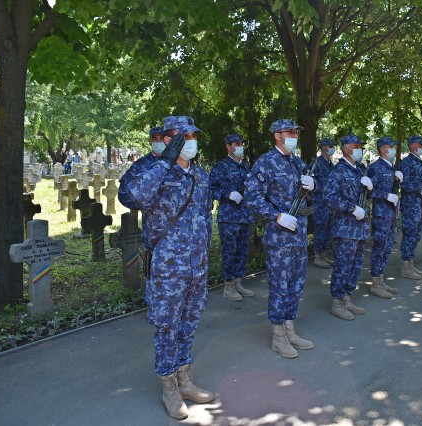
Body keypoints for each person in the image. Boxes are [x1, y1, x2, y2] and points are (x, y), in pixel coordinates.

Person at [118, 116, 214, 420]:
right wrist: (164, 163)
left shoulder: (200, 175)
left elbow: (206, 216)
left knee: (189, 322)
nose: (192, 141)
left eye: (194, 135)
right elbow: (131, 197)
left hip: (197, 265)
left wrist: (205, 254)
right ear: (170, 139)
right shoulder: (152, 171)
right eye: (185, 136)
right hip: (167, 267)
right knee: (167, 326)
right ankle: (169, 385)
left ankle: (184, 377)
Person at [244, 119, 315, 358]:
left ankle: (290, 329)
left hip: (299, 236)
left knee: (296, 286)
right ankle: (278, 336)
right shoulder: (265, 162)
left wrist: (313, 186)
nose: (295, 135)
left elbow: (311, 194)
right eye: (290, 132)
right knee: (279, 287)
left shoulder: (297, 162)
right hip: (279, 238)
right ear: (278, 135)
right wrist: (276, 216)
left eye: (297, 132)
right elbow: (252, 197)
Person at [322, 134, 370, 320]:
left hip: (360, 227)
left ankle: (347, 298)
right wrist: (352, 208)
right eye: (357, 146)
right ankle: (337, 302)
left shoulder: (360, 169)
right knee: (343, 266)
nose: (360, 149)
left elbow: (364, 197)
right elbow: (329, 198)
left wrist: (370, 189)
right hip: (345, 228)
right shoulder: (339, 171)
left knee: (355, 266)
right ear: (347, 148)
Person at [210, 133, 254, 301]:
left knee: (242, 250)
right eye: (236, 144)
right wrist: (227, 194)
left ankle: (238, 282)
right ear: (228, 146)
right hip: (229, 217)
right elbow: (210, 188)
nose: (240, 146)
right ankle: (228, 286)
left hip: (244, 215)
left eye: (241, 143)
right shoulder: (221, 167)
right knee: (230, 251)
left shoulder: (245, 167)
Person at [367, 136, 400, 298]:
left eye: (393, 146)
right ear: (382, 149)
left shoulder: (391, 167)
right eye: (390, 146)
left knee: (387, 247)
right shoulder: (375, 167)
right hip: (381, 214)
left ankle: (380, 279)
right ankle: (375, 283)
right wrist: (386, 195)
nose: (393, 149)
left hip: (392, 213)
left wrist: (397, 181)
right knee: (379, 247)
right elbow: (369, 191)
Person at [397, 135, 422, 280]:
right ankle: (405, 266)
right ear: (413, 145)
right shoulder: (407, 162)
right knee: (409, 234)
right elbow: (403, 184)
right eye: (420, 145)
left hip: (419, 203)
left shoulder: (420, 161)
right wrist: (420, 189)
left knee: (416, 234)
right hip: (410, 204)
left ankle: (410, 263)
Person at [312, 138, 336, 269]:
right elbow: (312, 183)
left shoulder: (331, 164)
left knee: (328, 229)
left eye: (332, 146)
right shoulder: (316, 163)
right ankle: (318, 256)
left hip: (330, 203)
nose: (332, 148)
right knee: (320, 228)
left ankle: (324, 254)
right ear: (323, 147)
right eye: (329, 146)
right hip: (320, 202)